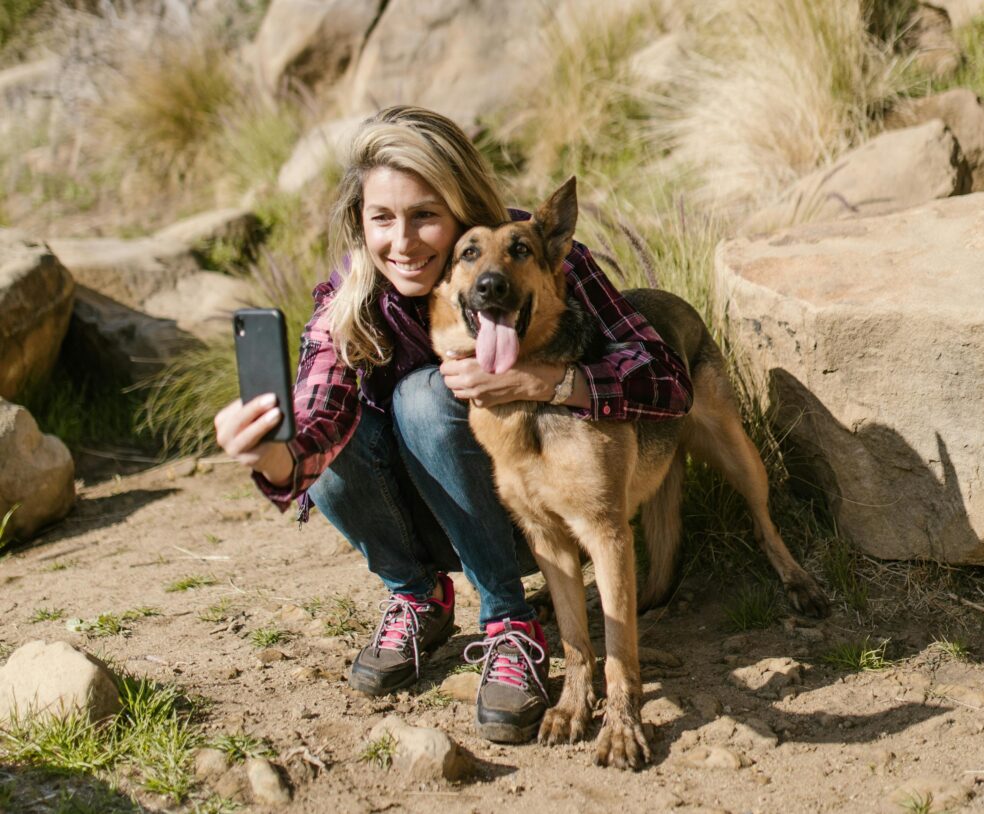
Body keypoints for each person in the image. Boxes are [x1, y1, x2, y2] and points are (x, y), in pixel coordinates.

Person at [214, 105, 693, 744]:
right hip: (426, 515)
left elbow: (667, 380)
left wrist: (546, 381)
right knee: (328, 467)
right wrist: (273, 457)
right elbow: (320, 415)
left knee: (424, 399)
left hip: (522, 519)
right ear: (361, 224)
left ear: (461, 209)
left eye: (424, 216)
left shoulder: (526, 256)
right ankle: (418, 596)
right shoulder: (350, 301)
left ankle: (508, 622)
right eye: (382, 218)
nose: (403, 242)